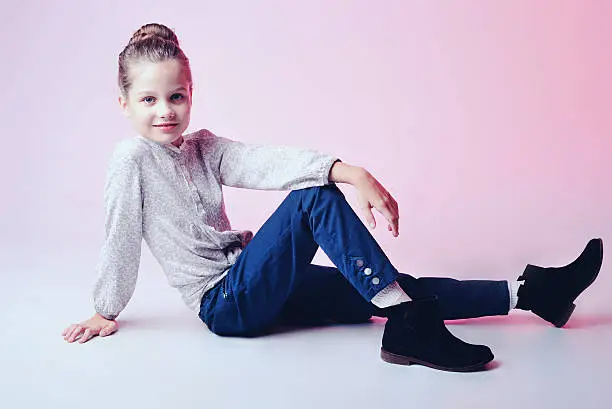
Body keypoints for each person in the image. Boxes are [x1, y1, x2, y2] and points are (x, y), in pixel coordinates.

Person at [62, 23, 604, 373]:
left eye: (176, 95)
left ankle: (532, 293)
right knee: (311, 201)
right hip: (225, 304)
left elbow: (266, 161)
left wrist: (351, 170)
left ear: (191, 93)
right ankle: (411, 330)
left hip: (261, 283)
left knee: (386, 284)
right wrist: (104, 309)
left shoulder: (204, 147)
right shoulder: (130, 161)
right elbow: (119, 237)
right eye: (149, 99)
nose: (166, 111)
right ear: (124, 104)